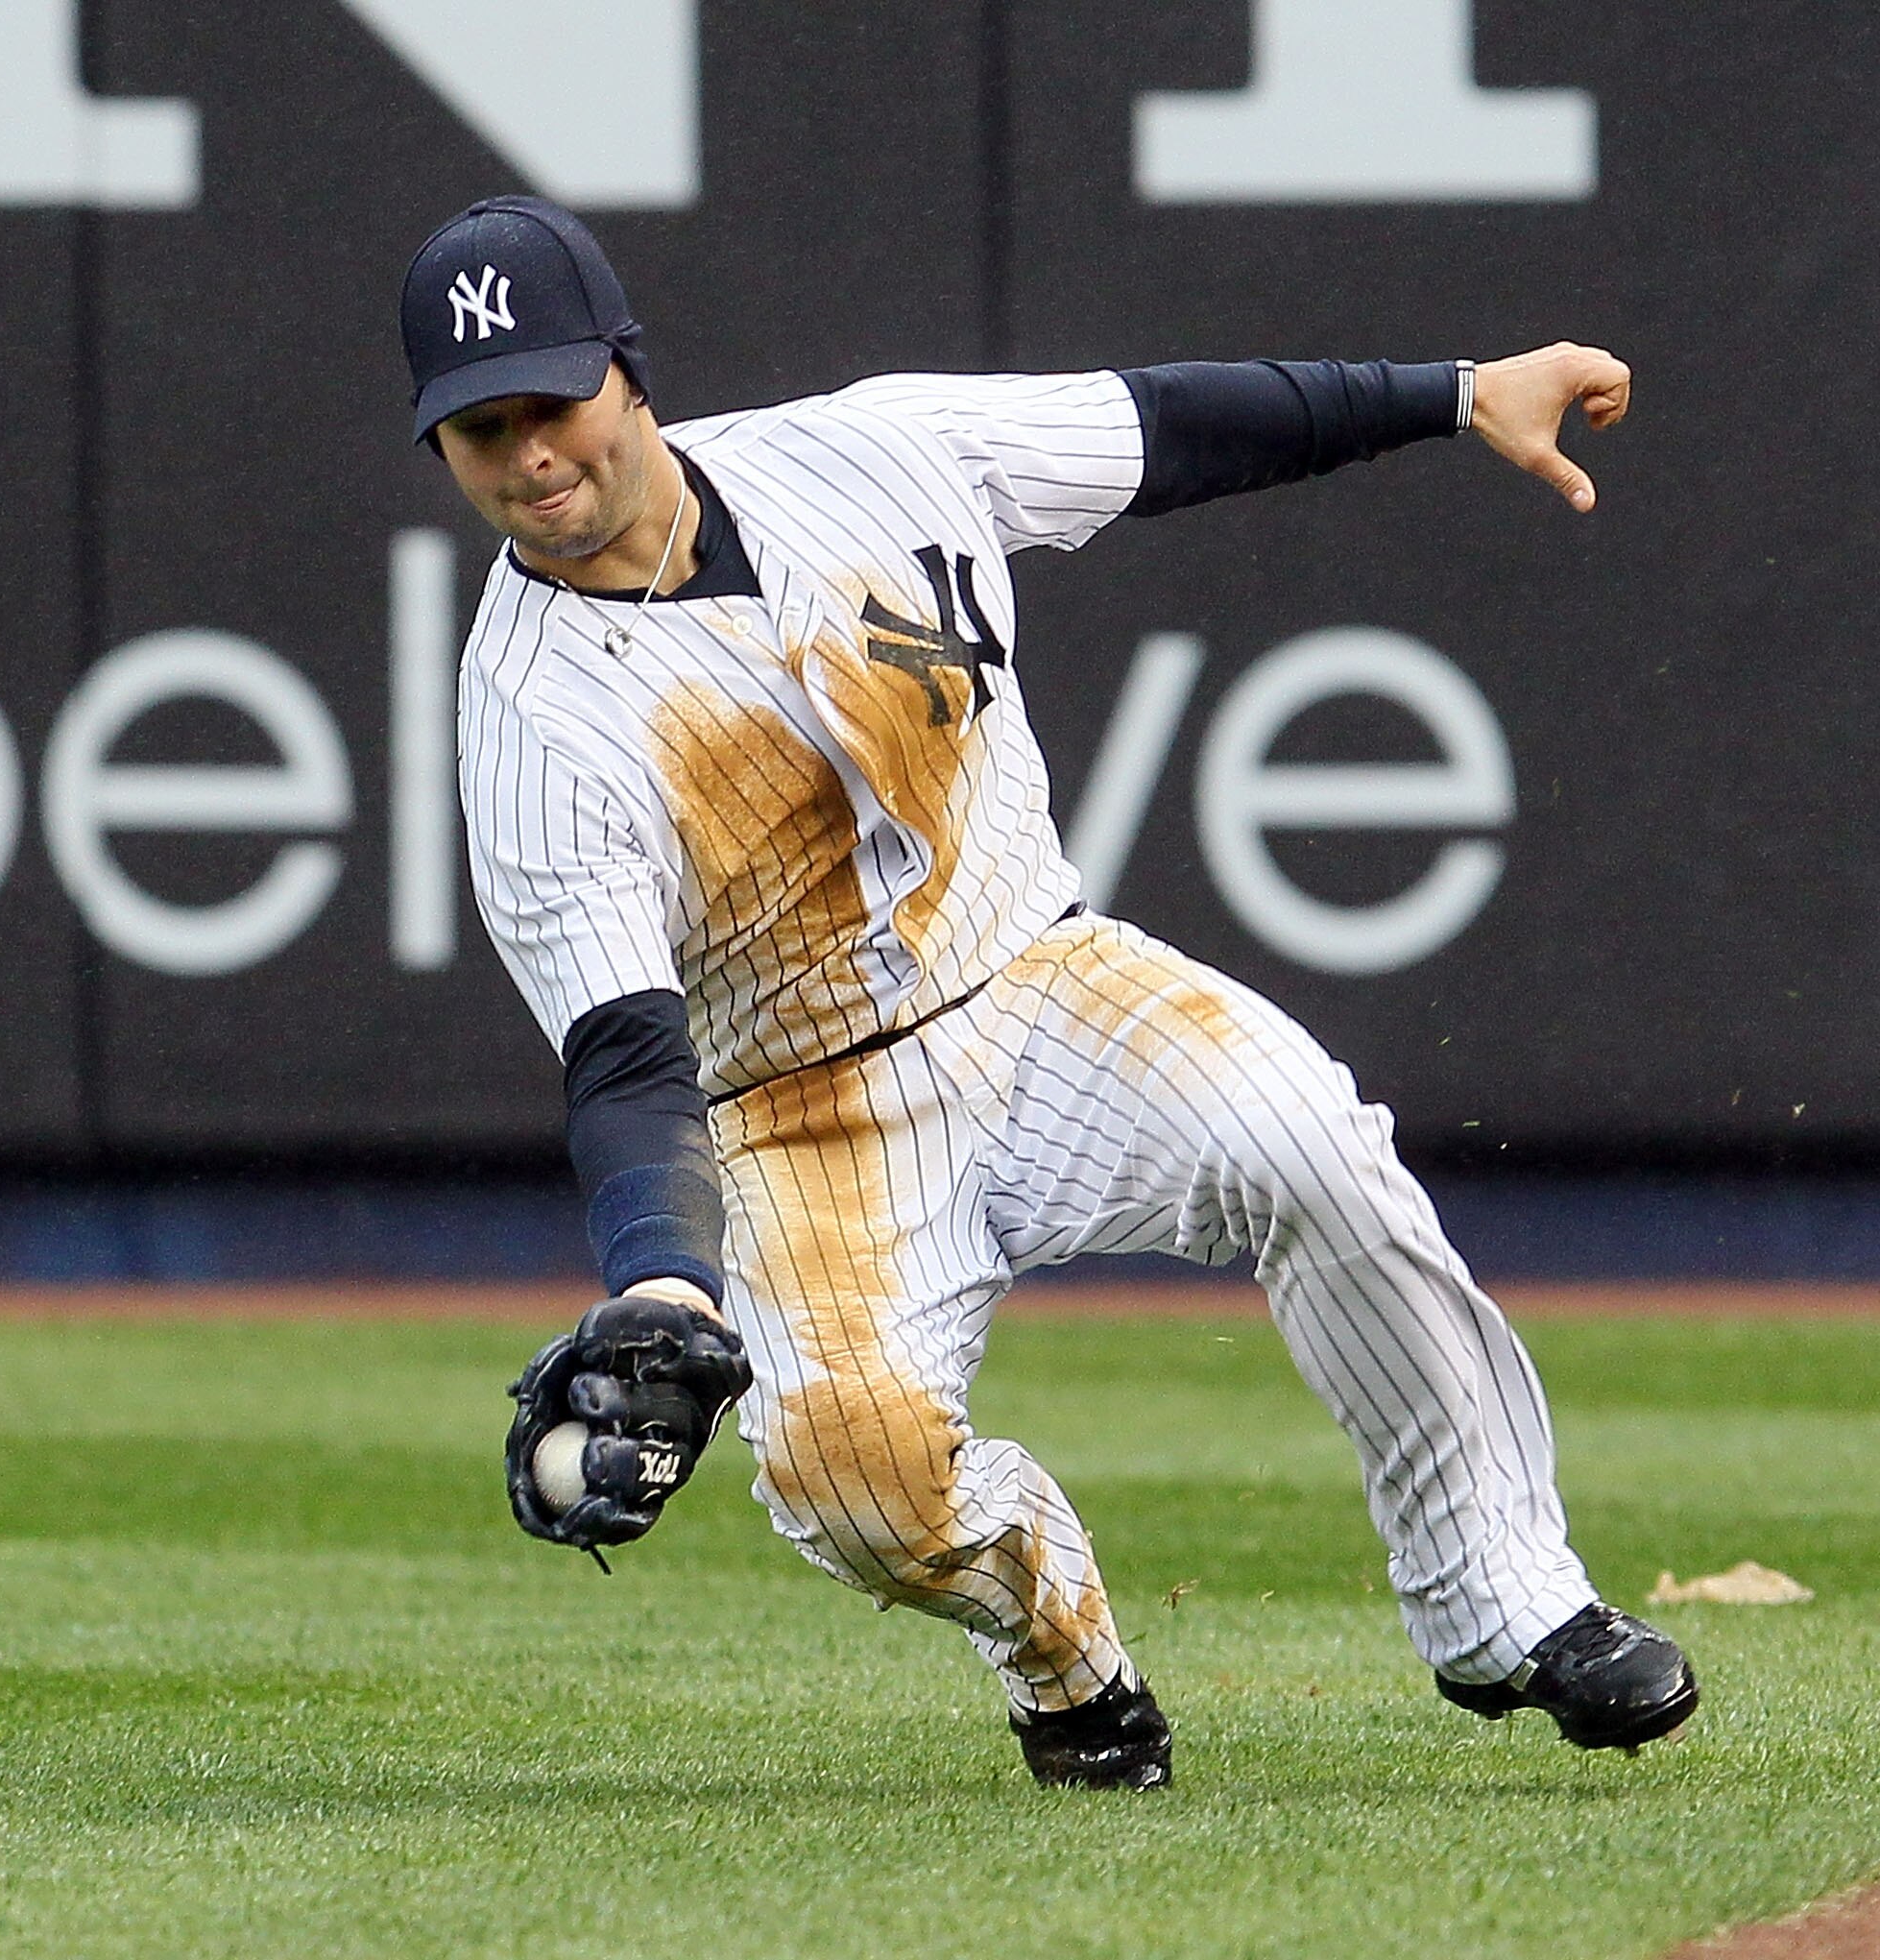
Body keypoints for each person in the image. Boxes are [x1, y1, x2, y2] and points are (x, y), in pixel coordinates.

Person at [405, 194, 1697, 1790]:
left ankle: (1509, 1601)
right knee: (848, 1481)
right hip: (803, 1125)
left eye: (550, 401)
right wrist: (666, 1284)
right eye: (479, 429)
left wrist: (1449, 390)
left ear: (626, 369)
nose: (528, 455)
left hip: (1038, 980)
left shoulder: (873, 453)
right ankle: (1068, 1662)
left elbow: (1166, 430)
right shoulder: (529, 723)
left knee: (1308, 1140)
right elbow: (626, 1057)